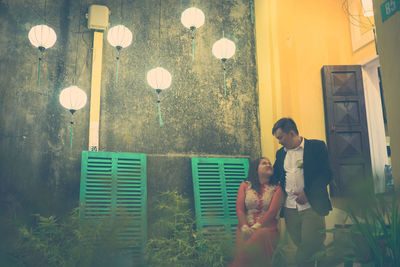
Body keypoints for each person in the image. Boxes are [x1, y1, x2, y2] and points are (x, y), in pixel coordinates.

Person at [272, 118, 332, 267]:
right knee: (310, 247)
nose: (279, 141)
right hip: (290, 209)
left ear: (291, 133)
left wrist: (308, 193)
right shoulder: (280, 154)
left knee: (307, 249)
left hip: (311, 206)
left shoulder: (316, 147)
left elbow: (326, 174)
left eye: (280, 137)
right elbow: (275, 176)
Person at [230, 157, 284, 267]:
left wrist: (256, 227)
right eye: (264, 163)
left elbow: (272, 211)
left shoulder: (277, 188)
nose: (269, 165)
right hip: (245, 228)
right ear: (256, 169)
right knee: (241, 235)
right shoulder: (245, 185)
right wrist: (245, 227)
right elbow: (239, 209)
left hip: (267, 228)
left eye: (269, 163)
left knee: (260, 234)